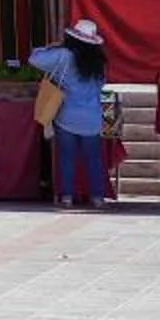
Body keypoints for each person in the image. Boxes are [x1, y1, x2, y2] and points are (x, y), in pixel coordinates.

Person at [29, 20, 111, 209]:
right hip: (91, 117)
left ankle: (67, 196)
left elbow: (34, 58)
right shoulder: (99, 62)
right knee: (94, 159)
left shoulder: (64, 55)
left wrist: (51, 46)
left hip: (66, 114)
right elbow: (100, 85)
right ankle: (97, 197)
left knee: (66, 157)